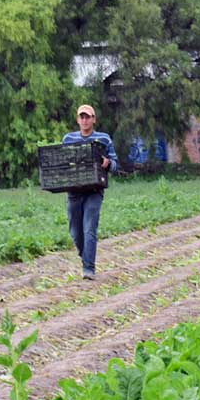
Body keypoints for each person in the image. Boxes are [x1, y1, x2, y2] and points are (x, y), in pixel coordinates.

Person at [62, 104, 118, 280]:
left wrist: (108, 163)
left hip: (94, 190)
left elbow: (116, 164)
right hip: (74, 191)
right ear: (78, 120)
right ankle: (85, 255)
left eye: (88, 117)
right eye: (82, 117)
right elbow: (63, 162)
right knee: (75, 232)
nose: (85, 120)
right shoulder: (68, 139)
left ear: (94, 119)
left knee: (89, 229)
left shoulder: (104, 139)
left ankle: (88, 269)